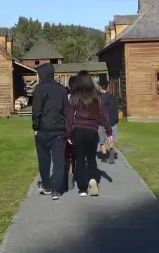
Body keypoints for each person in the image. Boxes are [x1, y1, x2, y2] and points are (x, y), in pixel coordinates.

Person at [66, 71, 112, 197]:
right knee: (91, 158)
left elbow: (69, 117)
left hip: (78, 130)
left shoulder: (75, 96)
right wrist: (109, 132)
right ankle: (93, 180)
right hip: (92, 131)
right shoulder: (97, 97)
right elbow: (104, 116)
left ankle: (82, 188)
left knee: (80, 159)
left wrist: (68, 133)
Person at [32, 63, 69, 200]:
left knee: (44, 159)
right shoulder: (62, 89)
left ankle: (47, 185)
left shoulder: (39, 89)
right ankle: (56, 190)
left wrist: (35, 127)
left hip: (43, 129)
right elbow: (67, 110)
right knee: (59, 160)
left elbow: (36, 111)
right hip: (59, 129)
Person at [97, 77, 120, 164]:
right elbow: (115, 109)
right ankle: (111, 151)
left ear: (100, 87)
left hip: (101, 122)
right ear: (107, 87)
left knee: (102, 140)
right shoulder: (112, 97)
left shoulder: (97, 98)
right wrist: (115, 120)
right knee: (111, 138)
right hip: (111, 121)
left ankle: (104, 156)